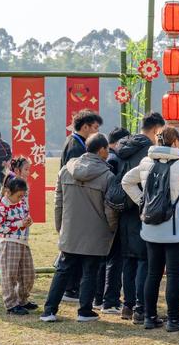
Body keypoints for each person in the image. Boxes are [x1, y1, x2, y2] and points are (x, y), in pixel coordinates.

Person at [122, 127, 179, 331]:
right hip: (175, 226)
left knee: (153, 273)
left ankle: (150, 316)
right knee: (174, 275)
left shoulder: (146, 161)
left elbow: (127, 181)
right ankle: (173, 319)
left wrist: (143, 201)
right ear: (176, 142)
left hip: (151, 224)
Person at [40, 133, 118, 322]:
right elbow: (109, 210)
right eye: (107, 149)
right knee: (90, 271)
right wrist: (112, 229)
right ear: (101, 150)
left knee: (63, 269)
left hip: (70, 229)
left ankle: (49, 310)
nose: (108, 152)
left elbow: (58, 203)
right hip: (96, 231)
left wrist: (61, 226)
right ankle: (84, 311)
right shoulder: (107, 176)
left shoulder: (66, 170)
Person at [112, 112, 166, 323]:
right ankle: (140, 308)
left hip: (124, 210)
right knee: (145, 259)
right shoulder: (148, 151)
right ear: (155, 130)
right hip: (143, 210)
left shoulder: (124, 146)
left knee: (129, 260)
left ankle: (127, 305)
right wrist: (143, 201)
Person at [60, 109, 103, 303]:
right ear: (85, 127)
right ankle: (71, 289)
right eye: (95, 128)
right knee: (75, 251)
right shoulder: (76, 147)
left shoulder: (75, 142)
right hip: (77, 204)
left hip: (75, 205)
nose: (96, 132)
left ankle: (71, 287)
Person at [95, 126, 131, 313]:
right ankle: (111, 301)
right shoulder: (116, 160)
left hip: (101, 217)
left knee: (104, 260)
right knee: (115, 260)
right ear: (119, 142)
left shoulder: (108, 159)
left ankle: (98, 298)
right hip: (114, 217)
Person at [0, 177, 36, 315]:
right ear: (8, 192)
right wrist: (19, 224)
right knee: (9, 274)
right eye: (18, 196)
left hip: (23, 242)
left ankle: (22, 299)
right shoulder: (2, 207)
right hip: (9, 243)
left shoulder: (22, 202)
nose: (20, 198)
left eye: (22, 195)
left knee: (28, 273)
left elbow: (25, 215)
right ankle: (11, 304)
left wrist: (28, 220)